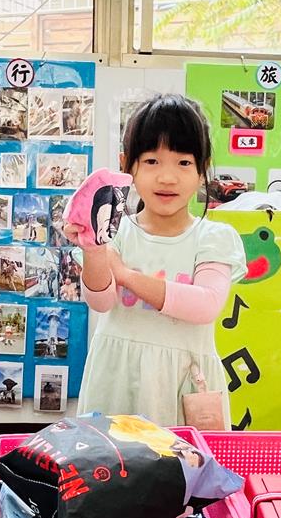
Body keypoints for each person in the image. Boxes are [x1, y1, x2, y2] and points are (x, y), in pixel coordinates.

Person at [64, 94, 246, 428]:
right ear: (127, 165)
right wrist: (93, 248)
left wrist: (126, 275)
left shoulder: (214, 237)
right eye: (151, 161)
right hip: (116, 380)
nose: (167, 177)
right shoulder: (116, 232)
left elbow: (206, 305)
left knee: (181, 461)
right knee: (112, 458)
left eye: (183, 163)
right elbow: (101, 302)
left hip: (182, 386)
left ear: (202, 169)